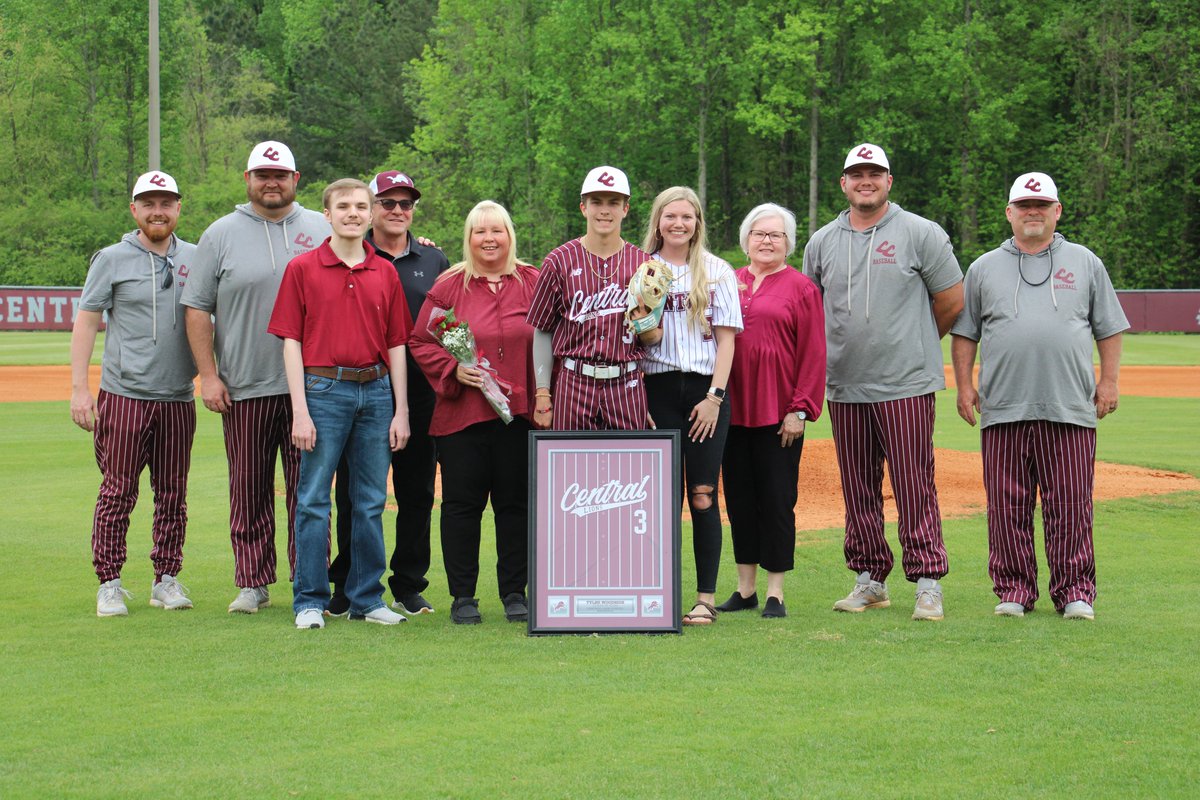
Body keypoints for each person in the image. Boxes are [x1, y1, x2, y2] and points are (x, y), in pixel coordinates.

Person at [951, 172, 1128, 621]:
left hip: (1069, 404)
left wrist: (1108, 382)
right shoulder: (984, 267)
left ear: (1057, 211)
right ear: (1009, 212)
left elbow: (1108, 328)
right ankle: (1013, 588)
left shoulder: (1086, 262)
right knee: (1006, 505)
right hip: (1003, 405)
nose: (1033, 212)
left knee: (1070, 505)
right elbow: (965, 334)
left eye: (1042, 205)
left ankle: (1074, 591)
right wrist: (965, 384)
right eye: (1024, 205)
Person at [803, 143, 964, 621]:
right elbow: (812, 313)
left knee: (914, 482)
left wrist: (914, 342)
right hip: (846, 384)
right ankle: (870, 578)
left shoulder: (920, 232)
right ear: (844, 183)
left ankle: (928, 581)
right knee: (858, 486)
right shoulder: (822, 241)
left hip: (907, 384)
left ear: (889, 181)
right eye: (857, 174)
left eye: (874, 173)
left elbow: (952, 301)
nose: (865, 181)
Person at [181, 140, 331, 614]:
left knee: (309, 491)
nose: (271, 182)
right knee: (249, 488)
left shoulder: (322, 226)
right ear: (247, 179)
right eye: (262, 175)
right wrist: (209, 375)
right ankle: (253, 581)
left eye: (280, 174)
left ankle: (312, 580)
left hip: (314, 385)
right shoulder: (220, 233)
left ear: (295, 179)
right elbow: (197, 307)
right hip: (245, 384)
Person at [267, 178, 412, 629]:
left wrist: (401, 409)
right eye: (343, 206)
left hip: (376, 391)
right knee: (313, 500)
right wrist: (300, 410)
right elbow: (291, 342)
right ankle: (310, 599)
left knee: (370, 501)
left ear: (371, 216)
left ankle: (367, 598)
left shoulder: (385, 272)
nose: (353, 213)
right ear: (326, 215)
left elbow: (396, 346)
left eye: (361, 206)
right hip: (323, 391)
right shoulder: (303, 269)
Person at [71, 171, 199, 616]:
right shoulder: (111, 258)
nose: (158, 211)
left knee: (172, 492)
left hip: (178, 396)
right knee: (118, 491)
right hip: (124, 394)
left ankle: (166, 578)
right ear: (134, 209)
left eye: (166, 203)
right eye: (148, 203)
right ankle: (109, 581)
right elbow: (86, 321)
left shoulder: (197, 258)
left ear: (179, 208)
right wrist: (79, 390)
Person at [410, 201, 543, 625]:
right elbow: (421, 341)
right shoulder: (450, 286)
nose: (489, 239)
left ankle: (514, 592)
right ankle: (463, 596)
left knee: (515, 506)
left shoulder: (534, 281)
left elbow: (552, 337)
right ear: (468, 239)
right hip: (462, 417)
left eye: (497, 231)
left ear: (510, 235)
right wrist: (454, 368)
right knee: (461, 508)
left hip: (518, 416)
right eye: (480, 232)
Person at [328, 170, 449, 617]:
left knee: (417, 491)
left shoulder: (433, 259)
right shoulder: (352, 252)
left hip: (422, 390)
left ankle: (409, 582)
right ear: (372, 207)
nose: (398, 211)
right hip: (365, 385)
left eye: (406, 204)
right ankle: (349, 580)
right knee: (357, 493)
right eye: (388, 203)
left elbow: (450, 323)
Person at [633, 187, 742, 626]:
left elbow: (727, 340)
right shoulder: (640, 269)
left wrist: (715, 398)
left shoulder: (716, 270)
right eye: (670, 216)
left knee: (702, 495)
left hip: (704, 391)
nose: (679, 224)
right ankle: (656, 594)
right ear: (657, 221)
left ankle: (705, 598)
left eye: (688, 217)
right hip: (655, 390)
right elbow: (634, 339)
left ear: (698, 222)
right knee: (658, 502)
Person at [718, 203, 826, 621]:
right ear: (746, 240)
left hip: (779, 413)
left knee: (777, 500)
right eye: (759, 234)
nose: (767, 241)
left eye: (776, 235)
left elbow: (813, 353)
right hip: (731, 410)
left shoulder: (801, 288)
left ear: (788, 244)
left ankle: (775, 591)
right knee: (740, 500)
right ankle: (745, 588)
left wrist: (800, 409)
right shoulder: (727, 281)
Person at [526, 165, 658, 431]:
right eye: (596, 202)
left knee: (627, 469)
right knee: (571, 469)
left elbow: (654, 338)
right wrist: (542, 392)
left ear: (625, 209)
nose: (605, 210)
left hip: (626, 384)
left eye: (614, 202)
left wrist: (644, 323)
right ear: (583, 207)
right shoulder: (558, 261)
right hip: (574, 381)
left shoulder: (644, 264)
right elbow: (543, 330)